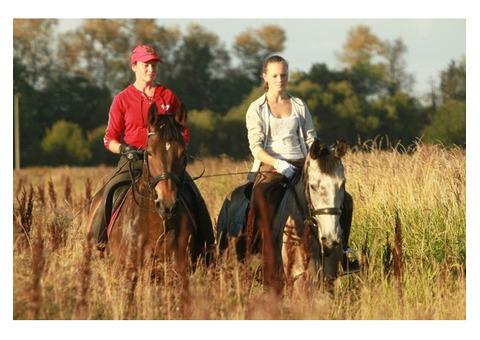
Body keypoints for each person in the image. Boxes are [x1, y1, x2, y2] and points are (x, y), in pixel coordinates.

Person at [91, 44, 215, 258]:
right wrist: (125, 149)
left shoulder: (168, 96)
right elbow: (109, 139)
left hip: (165, 162)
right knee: (111, 189)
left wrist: (176, 151)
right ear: (134, 66)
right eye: (146, 65)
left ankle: (208, 247)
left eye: (154, 65)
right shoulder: (121, 99)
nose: (151, 69)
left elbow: (183, 131)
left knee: (193, 193)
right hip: (133, 160)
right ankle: (99, 242)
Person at [245, 55, 359, 274]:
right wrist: (278, 163)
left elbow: (310, 139)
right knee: (259, 198)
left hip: (302, 165)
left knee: (345, 199)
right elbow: (256, 147)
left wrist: (320, 157)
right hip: (270, 168)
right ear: (265, 77)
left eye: (284, 75)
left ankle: (341, 252)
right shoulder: (256, 108)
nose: (280, 79)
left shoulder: (298, 105)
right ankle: (257, 256)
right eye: (275, 75)